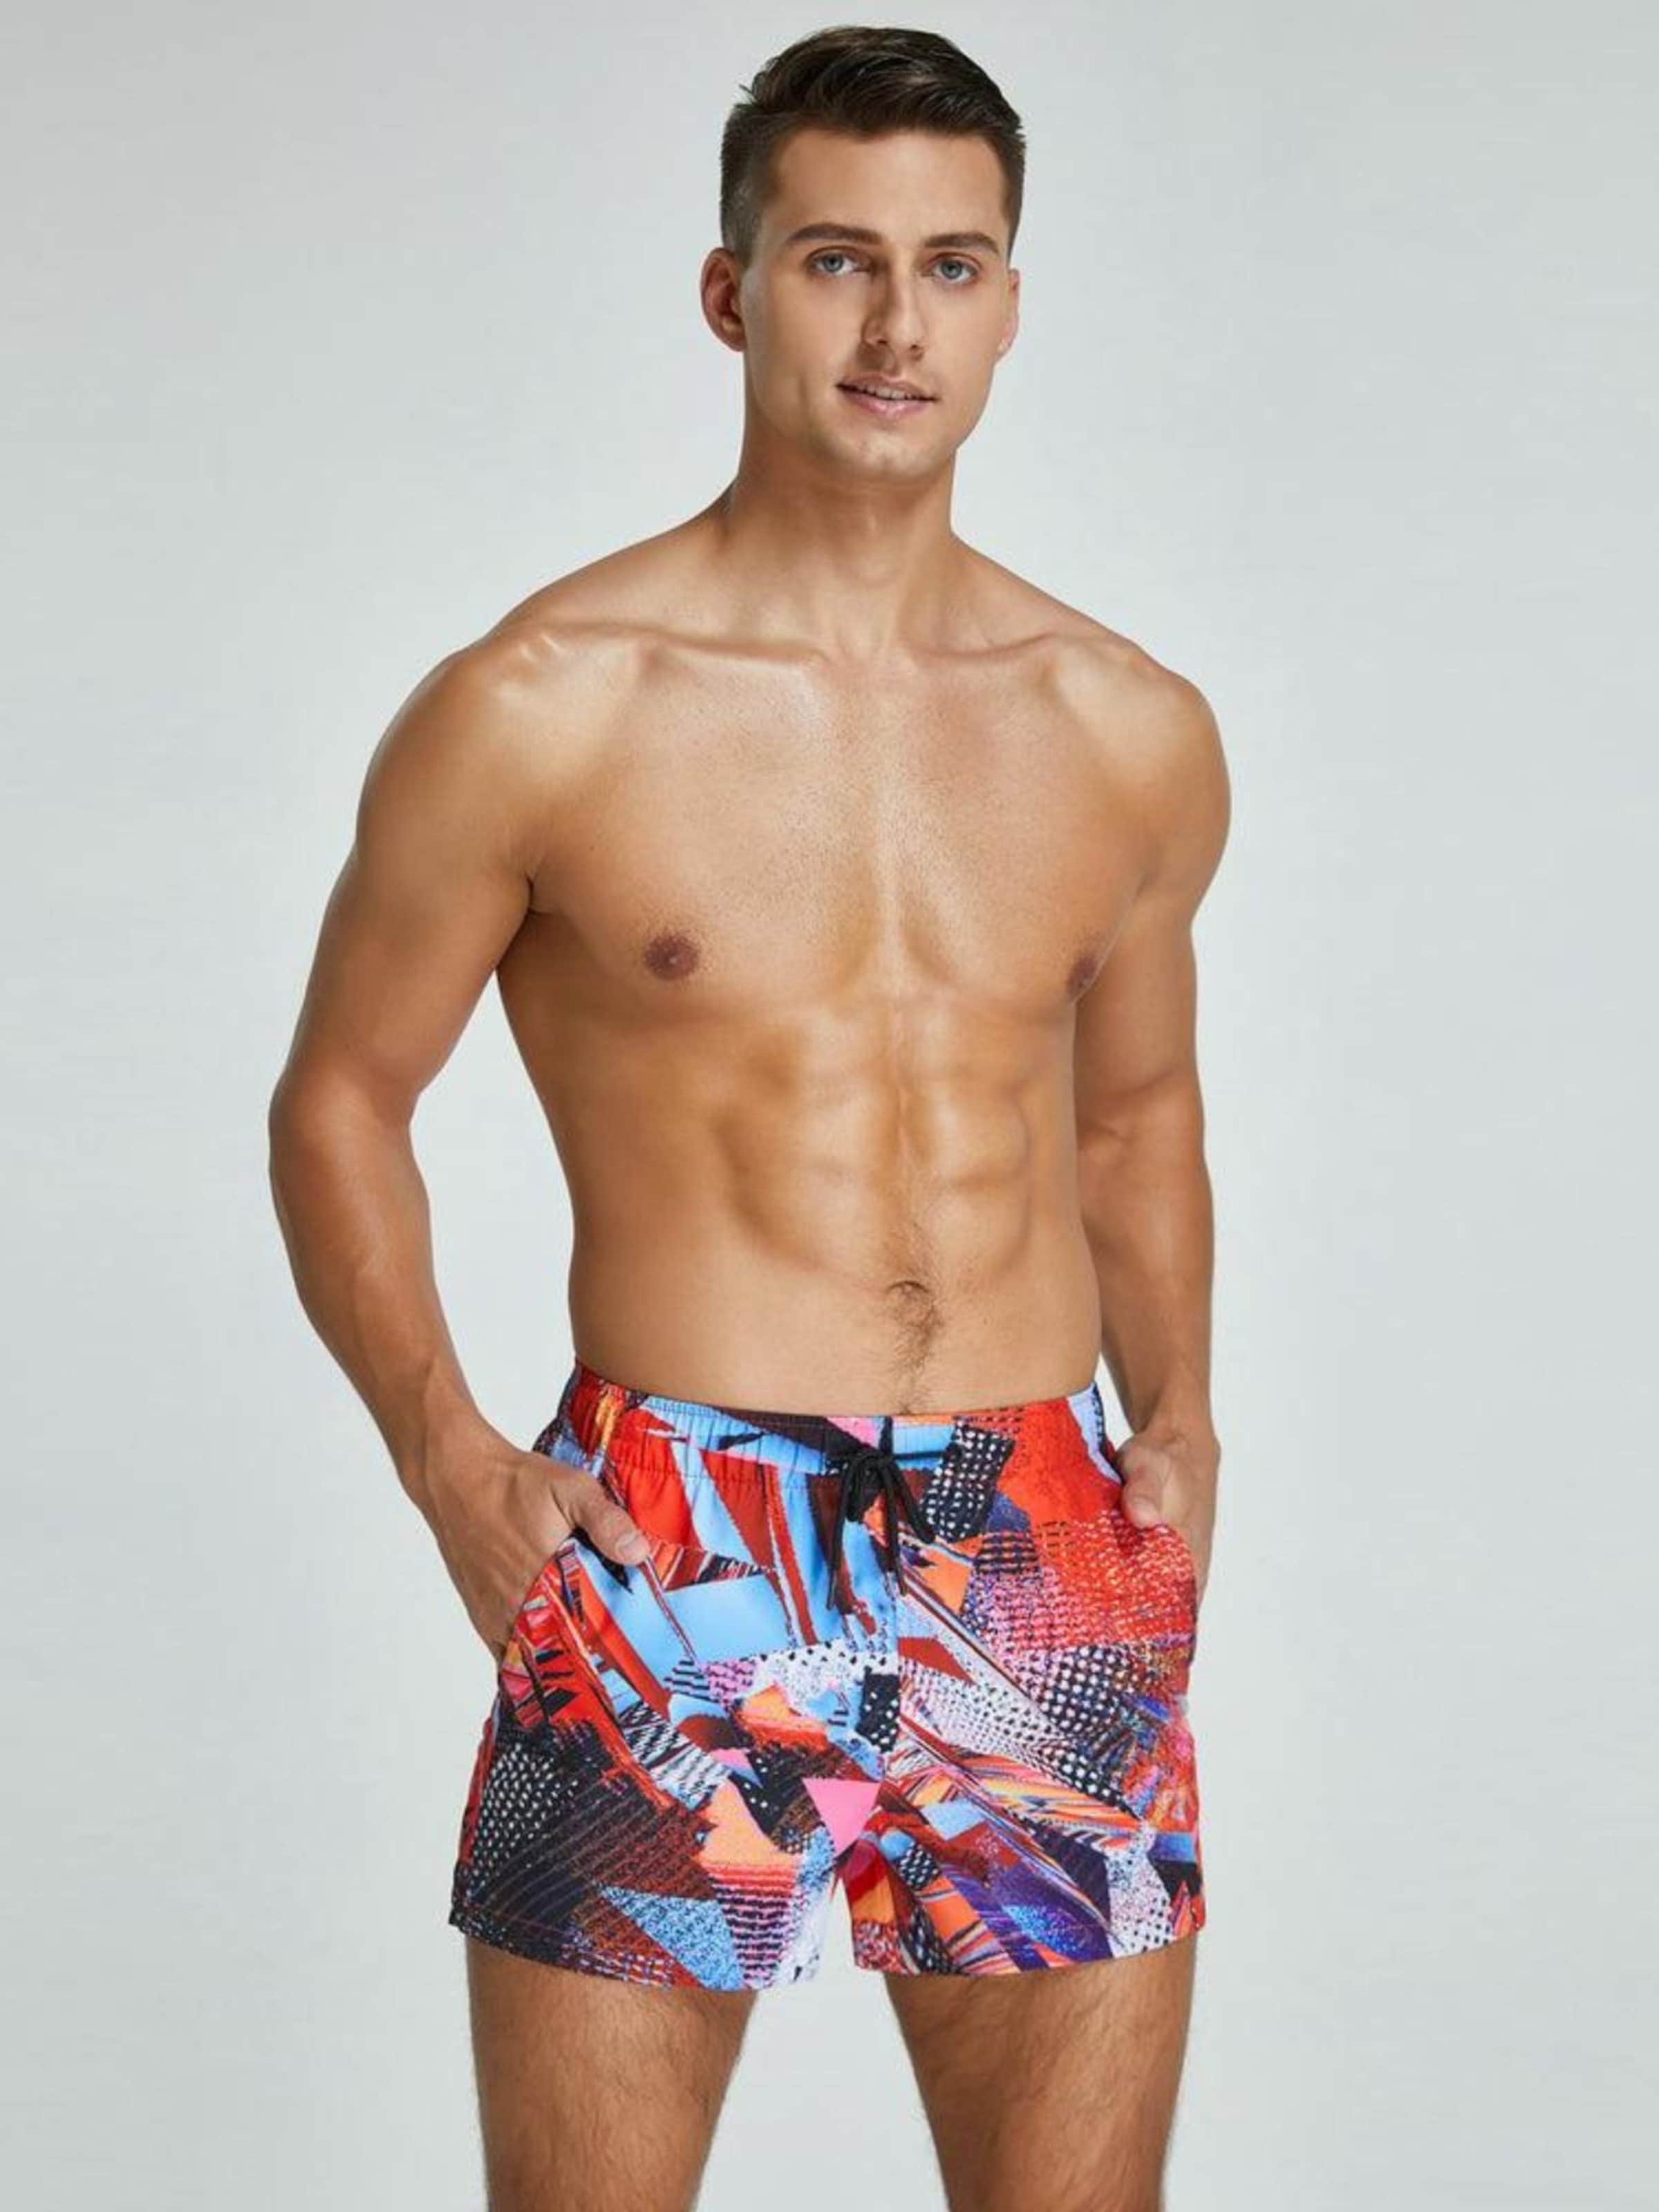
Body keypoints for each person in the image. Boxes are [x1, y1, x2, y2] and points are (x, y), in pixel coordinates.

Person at [268, 23, 1230, 2212]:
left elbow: (1136, 1117)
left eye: (952, 267)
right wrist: (449, 1460)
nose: (898, 328)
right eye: (835, 260)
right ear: (732, 293)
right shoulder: (541, 703)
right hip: (680, 1537)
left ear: (1009, 303)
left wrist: (1179, 1426)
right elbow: (343, 1096)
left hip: (1037, 1531)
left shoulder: (1127, 726)